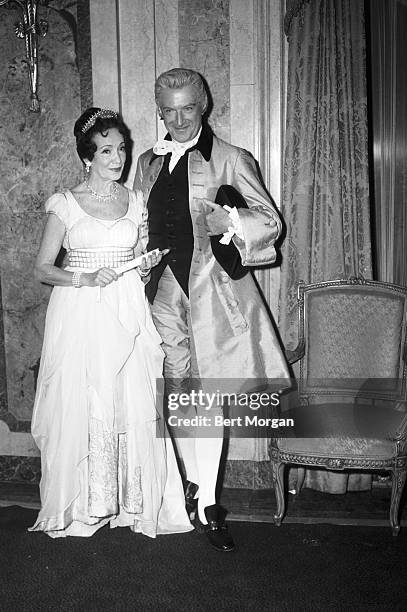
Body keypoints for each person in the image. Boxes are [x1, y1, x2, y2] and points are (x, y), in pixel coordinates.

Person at [134, 68, 290, 551]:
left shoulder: (231, 158)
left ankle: (208, 504)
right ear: (159, 110)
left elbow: (271, 222)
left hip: (212, 294)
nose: (178, 119)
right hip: (160, 291)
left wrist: (234, 220)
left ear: (203, 106)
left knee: (208, 397)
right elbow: (142, 221)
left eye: (187, 108)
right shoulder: (147, 161)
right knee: (176, 393)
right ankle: (190, 489)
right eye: (168, 110)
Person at [29, 107, 192, 538]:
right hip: (80, 310)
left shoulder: (135, 200)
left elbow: (136, 259)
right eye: (106, 150)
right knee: (88, 401)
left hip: (127, 308)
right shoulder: (64, 204)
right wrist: (82, 277)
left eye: (121, 149)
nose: (117, 158)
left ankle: (131, 502)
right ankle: (87, 504)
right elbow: (43, 268)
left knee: (130, 399)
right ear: (88, 156)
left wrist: (144, 265)